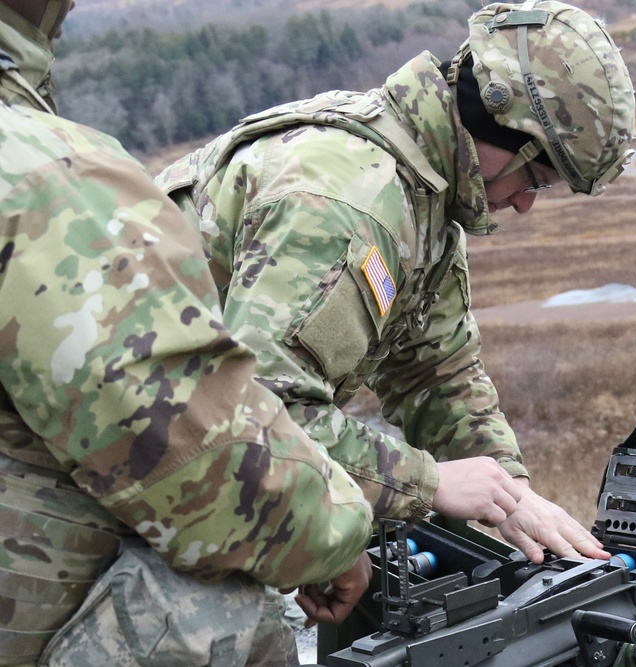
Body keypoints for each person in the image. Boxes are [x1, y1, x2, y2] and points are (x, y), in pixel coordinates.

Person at [0, 1, 433, 664]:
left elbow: (444, 367)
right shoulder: (39, 174)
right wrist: (339, 536)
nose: (524, 202)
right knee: (217, 605)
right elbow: (210, 472)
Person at [156, 0, 635, 576]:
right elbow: (259, 412)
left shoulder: (424, 192)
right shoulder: (350, 205)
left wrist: (510, 493)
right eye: (534, 177)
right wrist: (428, 483)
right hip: (100, 455)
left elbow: (435, 373)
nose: (527, 204)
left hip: (169, 448)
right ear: (499, 123)